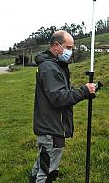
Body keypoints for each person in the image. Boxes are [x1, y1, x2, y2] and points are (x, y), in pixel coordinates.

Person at [29, 30, 96, 182]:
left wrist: (85, 91)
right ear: (57, 45)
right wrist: (84, 91)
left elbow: (63, 91)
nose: (70, 52)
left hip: (48, 126)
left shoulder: (54, 66)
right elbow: (59, 98)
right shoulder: (50, 67)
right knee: (48, 172)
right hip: (52, 127)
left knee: (41, 165)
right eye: (68, 47)